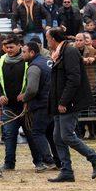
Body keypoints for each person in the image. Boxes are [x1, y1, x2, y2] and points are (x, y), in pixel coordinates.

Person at [46, 27, 96, 182]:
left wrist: (64, 101)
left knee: (66, 135)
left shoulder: (69, 52)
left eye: (48, 38)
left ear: (53, 39)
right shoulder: (60, 53)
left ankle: (95, 158)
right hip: (61, 102)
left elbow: (74, 79)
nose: (47, 41)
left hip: (69, 102)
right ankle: (67, 171)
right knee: (58, 137)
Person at [0, 35, 41, 171]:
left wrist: (26, 95)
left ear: (19, 46)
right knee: (9, 136)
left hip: (26, 106)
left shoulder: (27, 60)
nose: (8, 50)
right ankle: (9, 163)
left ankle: (39, 162)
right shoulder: (2, 60)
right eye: (6, 47)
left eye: (11, 47)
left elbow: (33, 81)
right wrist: (0, 95)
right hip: (8, 106)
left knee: (31, 134)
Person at [20, 42, 60, 172]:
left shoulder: (34, 66)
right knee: (50, 133)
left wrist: (25, 98)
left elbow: (32, 89)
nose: (22, 54)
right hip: (52, 102)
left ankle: (48, 161)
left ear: (32, 53)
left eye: (24, 52)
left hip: (41, 104)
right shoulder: (48, 62)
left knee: (37, 132)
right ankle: (59, 160)